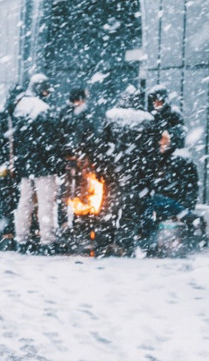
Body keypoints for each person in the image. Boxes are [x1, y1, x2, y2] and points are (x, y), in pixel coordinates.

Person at [95, 84, 161, 254]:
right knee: (131, 210)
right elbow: (152, 151)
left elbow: (102, 146)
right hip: (137, 173)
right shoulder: (147, 120)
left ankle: (103, 243)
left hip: (114, 172)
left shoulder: (111, 116)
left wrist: (101, 170)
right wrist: (150, 173)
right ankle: (125, 243)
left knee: (109, 207)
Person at [11, 73, 64, 253]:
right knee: (45, 203)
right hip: (43, 165)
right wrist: (56, 163)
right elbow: (50, 141)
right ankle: (47, 241)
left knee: (24, 203)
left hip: (25, 163)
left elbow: (15, 137)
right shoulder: (42, 108)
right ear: (42, 89)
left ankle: (22, 239)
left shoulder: (19, 106)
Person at [140, 130, 200, 254]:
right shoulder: (156, 158)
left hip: (172, 201)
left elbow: (190, 186)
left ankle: (150, 244)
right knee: (150, 204)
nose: (161, 143)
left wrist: (187, 204)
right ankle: (150, 244)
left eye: (165, 140)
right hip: (164, 203)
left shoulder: (178, 159)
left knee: (152, 202)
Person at [0, 86, 22, 250]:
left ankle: (7, 231)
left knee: (9, 199)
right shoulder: (4, 117)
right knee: (5, 199)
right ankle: (6, 231)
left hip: (8, 165)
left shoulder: (6, 116)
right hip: (5, 166)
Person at [58, 87, 99, 227]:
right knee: (82, 190)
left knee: (66, 191)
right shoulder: (86, 113)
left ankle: (64, 221)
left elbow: (60, 134)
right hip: (82, 157)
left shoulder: (64, 113)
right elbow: (91, 135)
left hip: (67, 158)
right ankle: (80, 220)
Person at [147, 85, 186, 151]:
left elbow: (178, 137)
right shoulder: (148, 117)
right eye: (153, 102)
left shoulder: (174, 116)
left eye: (159, 102)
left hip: (168, 154)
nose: (155, 104)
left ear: (165, 101)